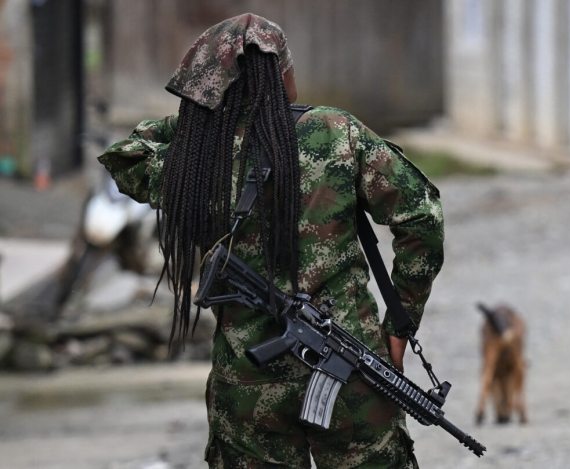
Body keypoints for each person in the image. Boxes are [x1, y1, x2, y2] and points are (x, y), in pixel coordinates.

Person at [98, 13, 444, 468]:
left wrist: (205, 120)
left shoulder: (197, 162)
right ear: (284, 73)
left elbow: (126, 156)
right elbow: (422, 217)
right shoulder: (336, 133)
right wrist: (400, 325)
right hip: (353, 378)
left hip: (247, 387)